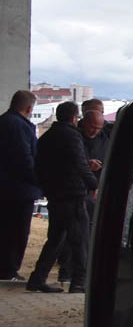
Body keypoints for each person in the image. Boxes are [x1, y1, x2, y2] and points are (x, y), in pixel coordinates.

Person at [27, 101, 97, 293]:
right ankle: (79, 282)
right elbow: (78, 163)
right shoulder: (72, 136)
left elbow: (40, 165)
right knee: (80, 239)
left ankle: (37, 278)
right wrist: (94, 184)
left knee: (56, 239)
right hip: (72, 194)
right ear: (75, 118)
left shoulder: (47, 137)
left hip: (55, 194)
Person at [55, 107, 108, 283]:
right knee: (72, 237)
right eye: (92, 127)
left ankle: (84, 272)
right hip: (76, 190)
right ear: (83, 122)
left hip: (95, 191)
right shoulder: (74, 136)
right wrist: (87, 165)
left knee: (86, 234)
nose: (95, 131)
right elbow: (71, 162)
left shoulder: (105, 140)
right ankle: (70, 274)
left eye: (98, 128)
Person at [0, 90, 41, 283]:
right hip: (19, 190)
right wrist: (39, 180)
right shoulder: (19, 126)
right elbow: (24, 158)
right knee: (16, 232)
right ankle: (8, 270)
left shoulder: (4, 121)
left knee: (6, 229)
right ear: (29, 108)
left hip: (7, 188)